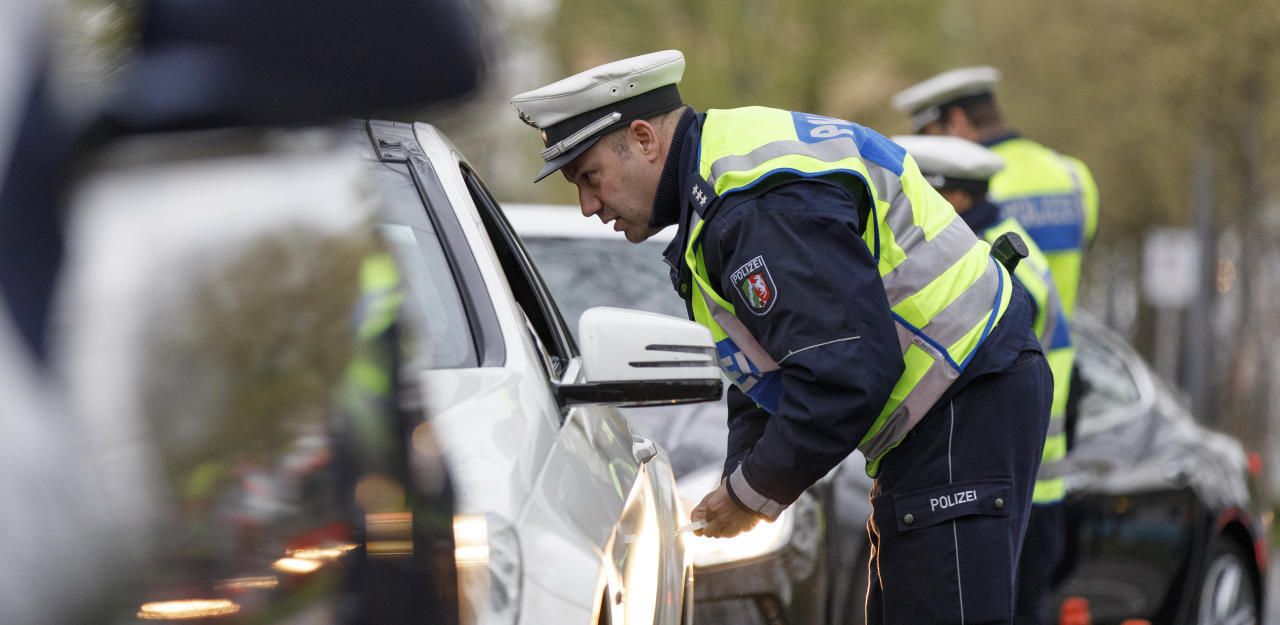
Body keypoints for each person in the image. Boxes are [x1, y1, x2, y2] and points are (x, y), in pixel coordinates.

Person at [510, 50, 1052, 624]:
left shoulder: (752, 207)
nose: (589, 206)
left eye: (589, 178)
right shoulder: (720, 186)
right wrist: (742, 475)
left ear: (644, 139)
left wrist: (751, 491)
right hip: (953, 400)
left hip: (963, 393)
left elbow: (843, 375)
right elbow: (770, 358)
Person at [894, 134, 1075, 625]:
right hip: (1018, 479)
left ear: (951, 197)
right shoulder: (1004, 246)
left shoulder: (994, 266)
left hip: (1017, 485)